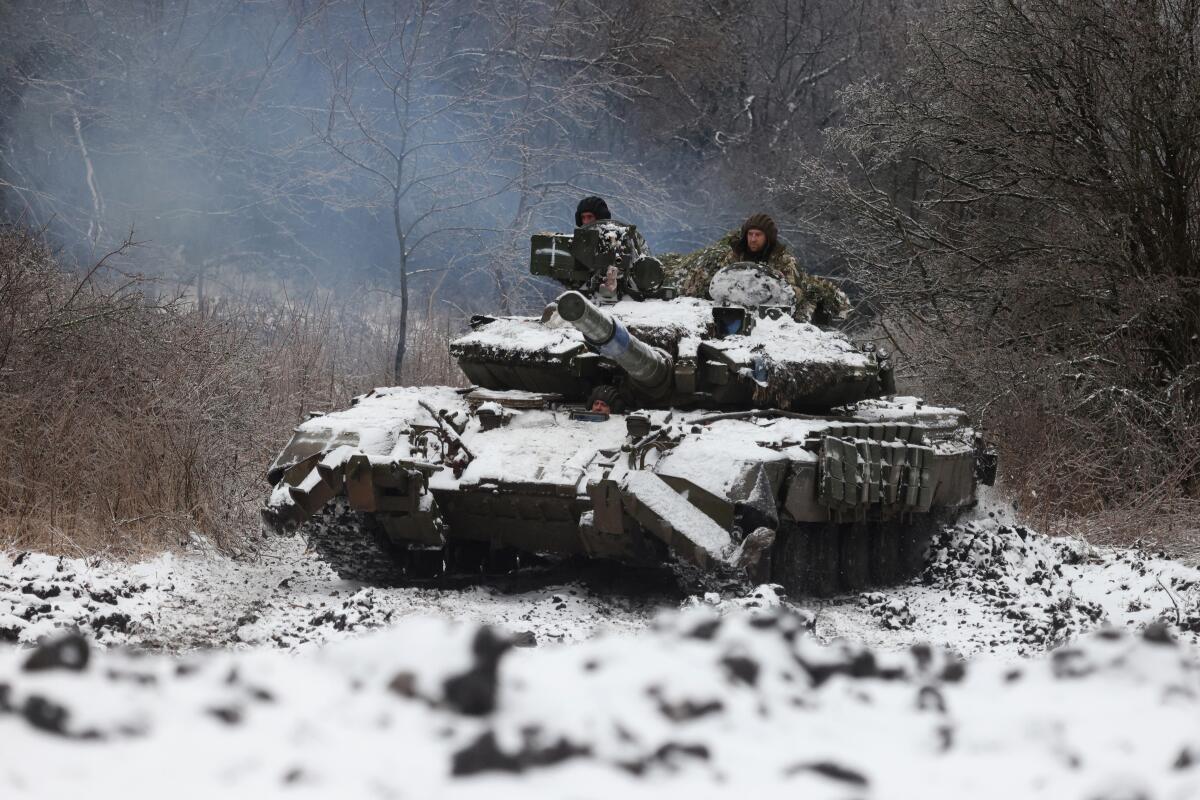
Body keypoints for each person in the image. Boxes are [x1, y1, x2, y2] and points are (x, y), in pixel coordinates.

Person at [679, 212, 849, 325]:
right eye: (750, 234)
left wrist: (777, 284)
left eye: (758, 235)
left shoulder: (784, 260)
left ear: (768, 238)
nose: (753, 239)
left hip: (769, 313)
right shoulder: (735, 256)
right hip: (734, 310)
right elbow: (721, 279)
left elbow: (795, 292)